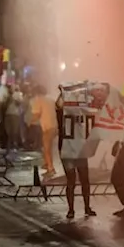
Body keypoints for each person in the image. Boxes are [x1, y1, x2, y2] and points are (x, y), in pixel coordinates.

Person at [55, 89, 97, 220]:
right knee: (72, 180)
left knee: (84, 179)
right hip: (68, 150)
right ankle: (71, 209)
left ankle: (86, 207)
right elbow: (58, 105)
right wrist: (63, 92)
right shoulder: (63, 112)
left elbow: (93, 108)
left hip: (79, 149)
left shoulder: (80, 112)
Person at [27, 84, 58, 178]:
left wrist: (29, 122)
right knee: (49, 148)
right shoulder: (51, 99)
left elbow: (36, 114)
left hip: (47, 127)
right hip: (54, 126)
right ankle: (47, 163)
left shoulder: (38, 100)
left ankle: (50, 169)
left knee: (46, 149)